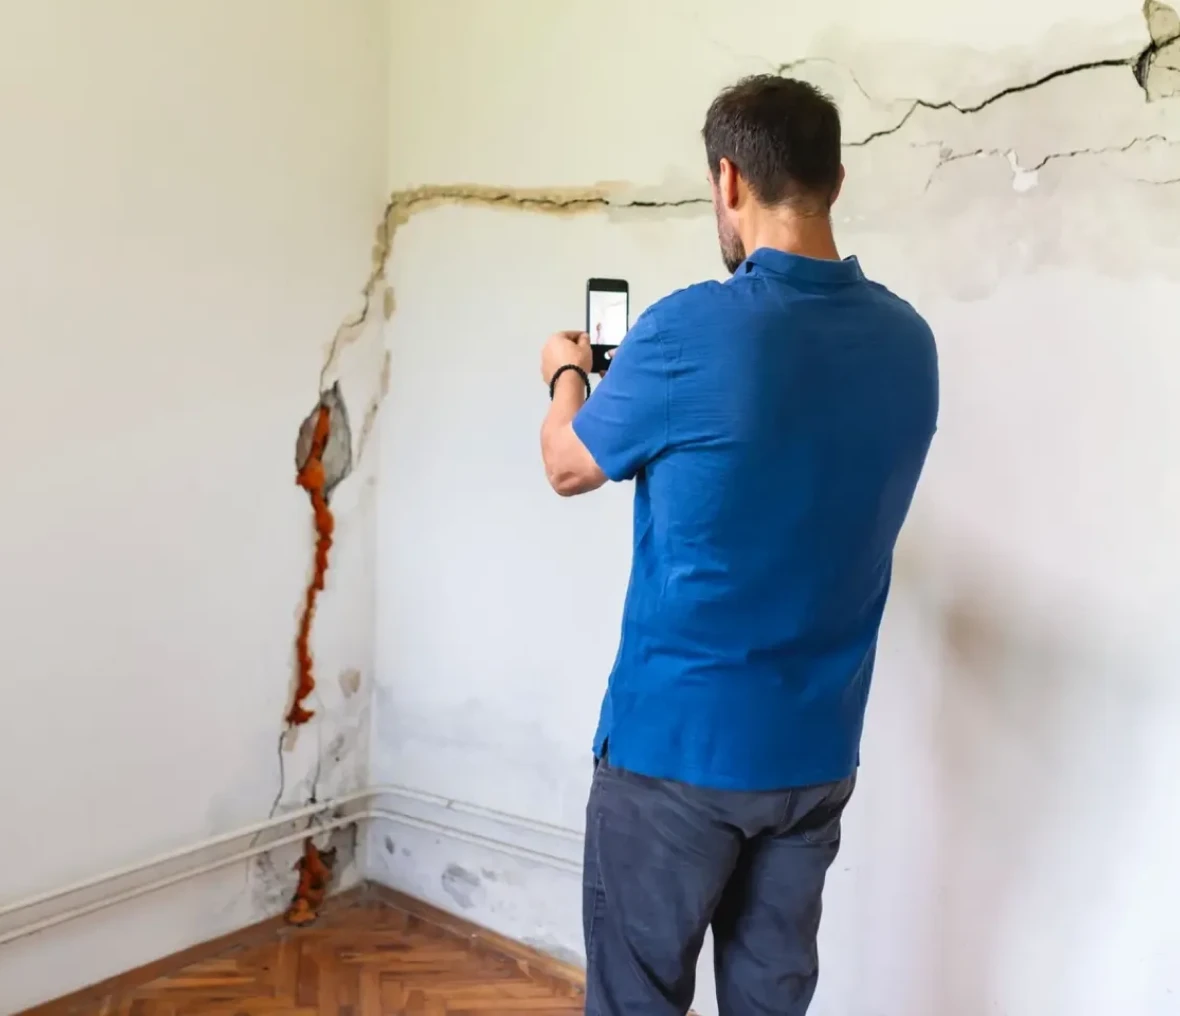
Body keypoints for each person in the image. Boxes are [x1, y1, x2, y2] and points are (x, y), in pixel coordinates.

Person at [538, 74, 938, 1016]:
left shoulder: (687, 331)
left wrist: (565, 372)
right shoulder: (909, 343)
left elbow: (567, 465)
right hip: (814, 754)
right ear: (836, 180)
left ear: (727, 181)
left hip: (675, 753)